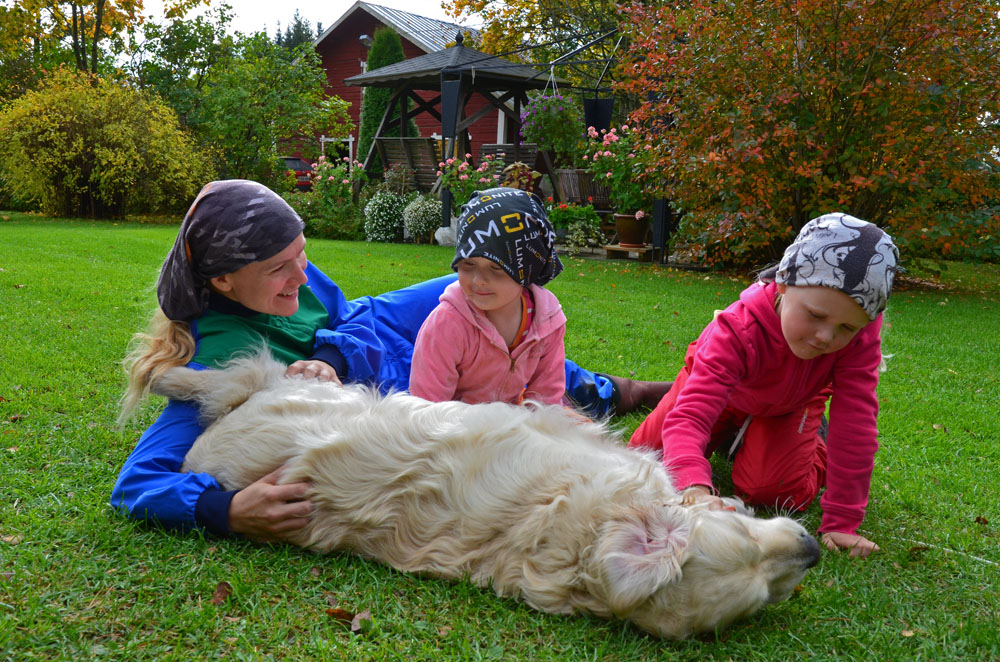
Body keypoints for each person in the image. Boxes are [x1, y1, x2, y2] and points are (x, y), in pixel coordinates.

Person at [112, 179, 670, 542]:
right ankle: (613, 394)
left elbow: (352, 312)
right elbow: (135, 485)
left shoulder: (298, 283)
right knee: (472, 328)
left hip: (378, 336)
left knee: (489, 294)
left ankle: (616, 389)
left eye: (302, 256)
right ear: (224, 280)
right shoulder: (217, 358)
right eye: (281, 267)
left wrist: (329, 353)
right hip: (398, 389)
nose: (302, 276)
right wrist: (225, 510)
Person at [629, 213, 898, 558]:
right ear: (784, 283)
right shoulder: (737, 327)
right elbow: (690, 417)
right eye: (815, 315)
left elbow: (856, 424)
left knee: (775, 492)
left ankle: (812, 442)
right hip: (720, 393)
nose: (826, 336)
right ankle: (730, 431)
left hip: (792, 403)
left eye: (846, 328)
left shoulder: (860, 338)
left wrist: (842, 521)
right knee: (645, 463)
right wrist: (694, 489)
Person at [410, 187, 566, 406]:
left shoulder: (547, 321)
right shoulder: (446, 325)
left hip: (509, 428)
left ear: (527, 269)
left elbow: (546, 401)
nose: (479, 280)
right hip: (453, 430)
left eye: (496, 267)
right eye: (469, 264)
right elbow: (426, 409)